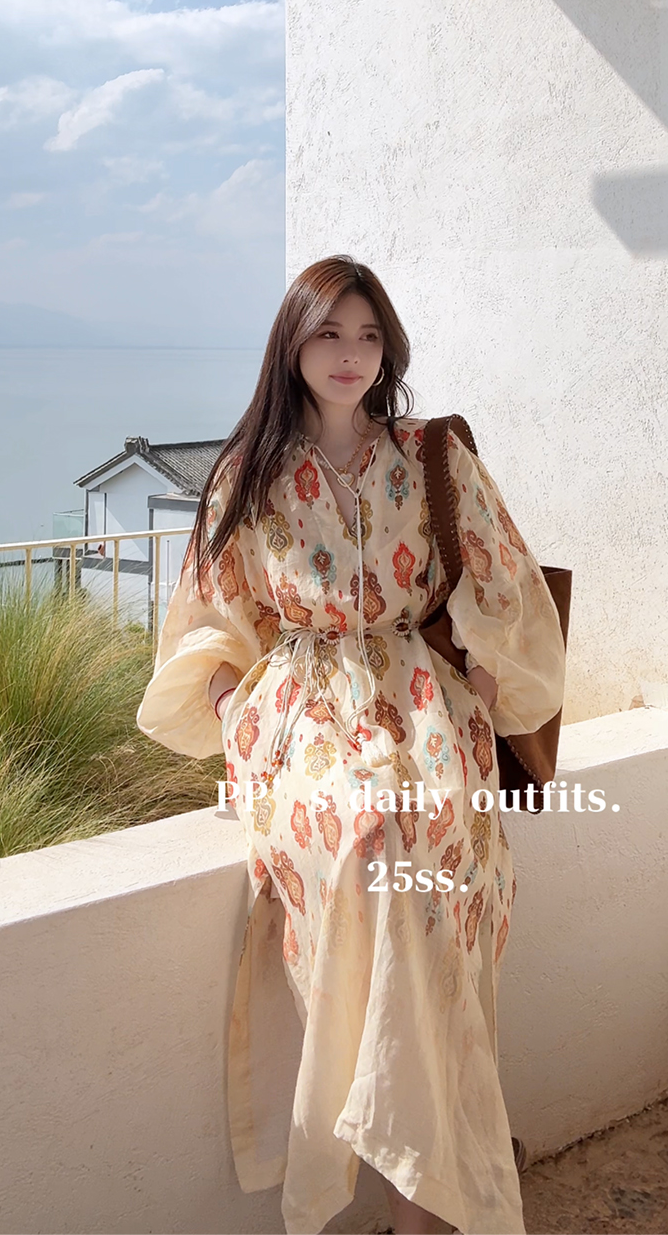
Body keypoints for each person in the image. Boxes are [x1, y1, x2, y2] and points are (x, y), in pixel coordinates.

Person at [137, 255, 566, 1235]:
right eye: (329, 332)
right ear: (291, 342)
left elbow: (505, 576)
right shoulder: (249, 474)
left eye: (369, 335)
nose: (350, 354)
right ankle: (435, 1190)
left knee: (431, 867)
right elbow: (209, 613)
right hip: (302, 712)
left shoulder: (429, 455)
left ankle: (420, 1200)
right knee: (368, 845)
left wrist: (484, 684)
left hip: (423, 705)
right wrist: (232, 698)